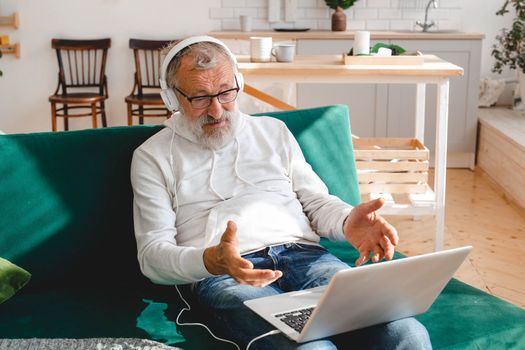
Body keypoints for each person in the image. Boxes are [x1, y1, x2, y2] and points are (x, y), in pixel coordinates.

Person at [130, 36, 432, 350]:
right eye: (200, 98)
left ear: (239, 84)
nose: (217, 110)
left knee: (406, 334)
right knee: (312, 348)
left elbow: (315, 202)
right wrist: (210, 261)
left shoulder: (273, 132)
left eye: (226, 92)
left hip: (307, 258)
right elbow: (152, 256)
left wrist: (345, 221)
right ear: (171, 98)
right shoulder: (152, 157)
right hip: (227, 276)